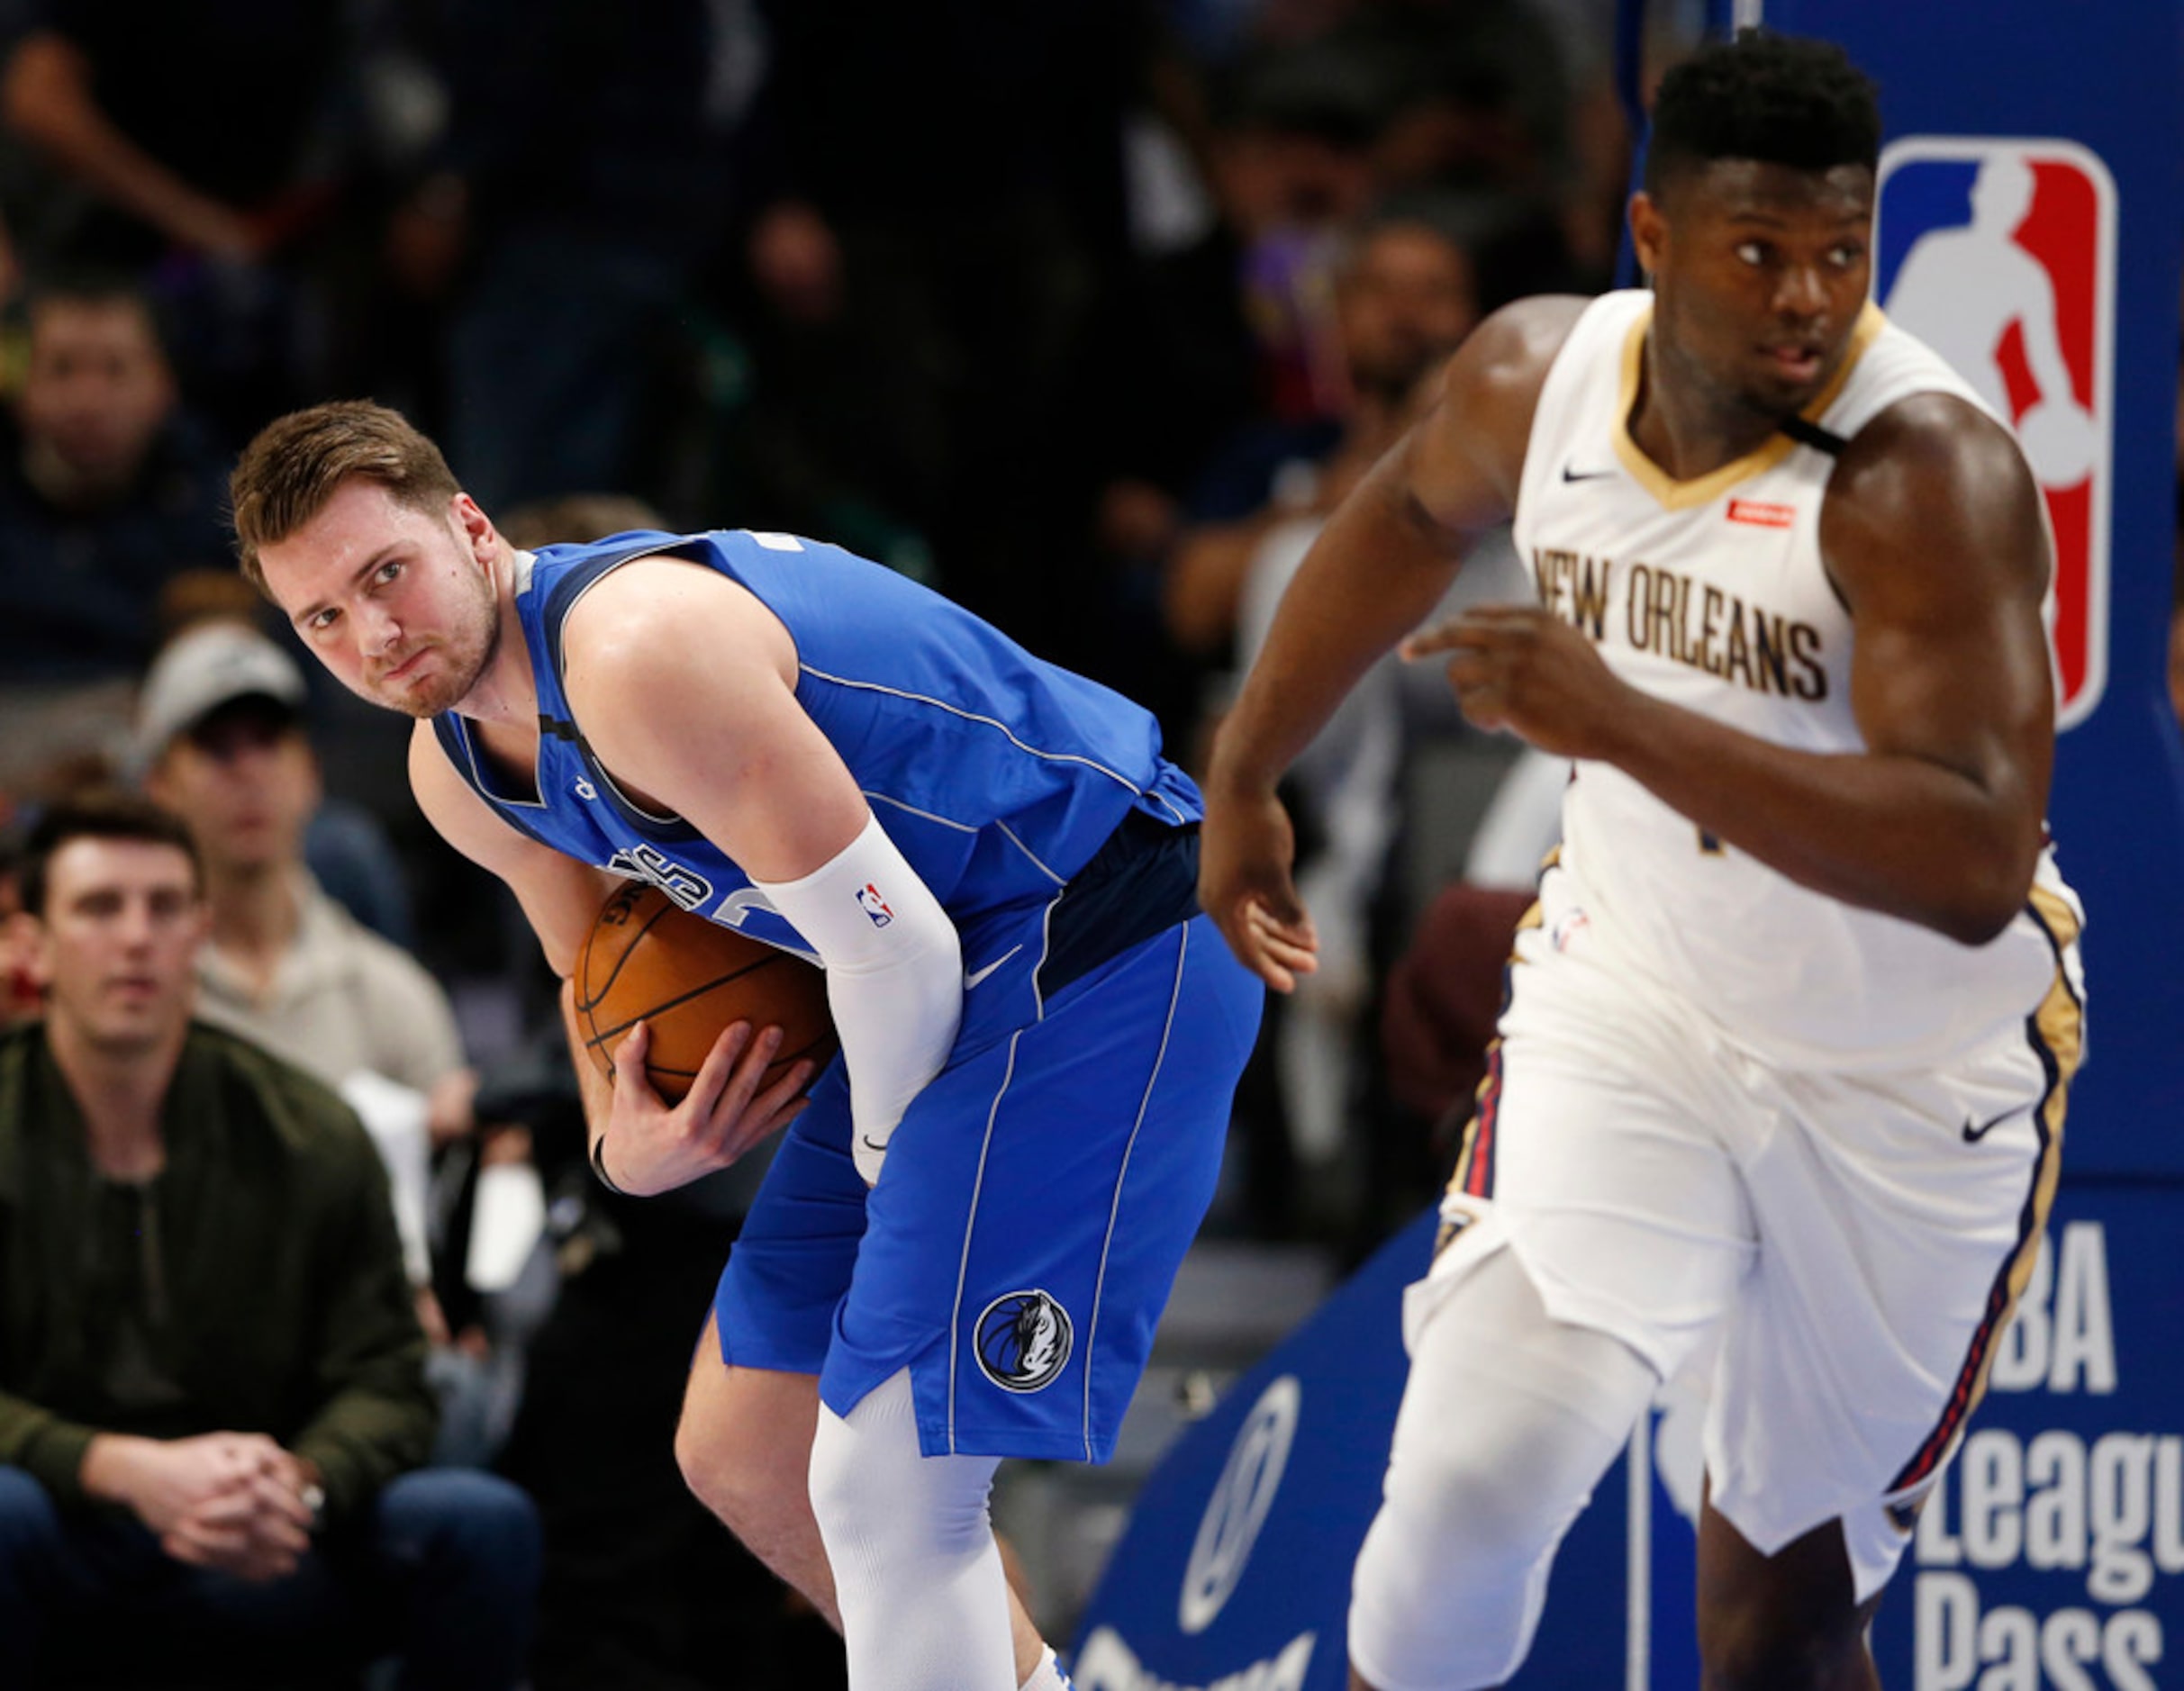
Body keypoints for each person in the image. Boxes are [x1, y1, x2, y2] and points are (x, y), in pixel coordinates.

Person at [1198, 32, 2086, 1691]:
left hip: (1910, 1073)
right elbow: (1392, 521)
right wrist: (1248, 766)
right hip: (1641, 999)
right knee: (1466, 1485)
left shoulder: (1925, 479)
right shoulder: (1539, 379)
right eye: (1761, 251)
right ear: (1655, 239)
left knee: (1781, 1624)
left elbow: (1973, 852)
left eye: (1841, 252)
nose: (1808, 296)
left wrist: (1623, 721)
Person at [228, 399, 1263, 1691]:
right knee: (751, 1447)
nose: (373, 634)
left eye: (388, 573)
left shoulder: (633, 649)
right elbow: (590, 972)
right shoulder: (457, 772)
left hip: (1100, 931)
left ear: (469, 527)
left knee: (885, 1477)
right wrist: (624, 1137)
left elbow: (903, 955)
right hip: (918, 981)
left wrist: (892, 1166)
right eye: (323, 616)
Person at [0, 790, 540, 1688]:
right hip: (60, 1520)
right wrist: (113, 1466)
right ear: (34, 944)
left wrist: (304, 1484)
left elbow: (388, 1373)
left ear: (199, 934)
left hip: (261, 1529)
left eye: (165, 907)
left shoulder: (307, 1128)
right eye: (99, 908)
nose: (136, 937)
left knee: (480, 1523)